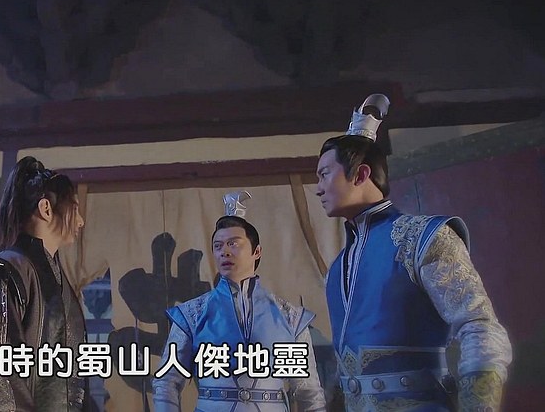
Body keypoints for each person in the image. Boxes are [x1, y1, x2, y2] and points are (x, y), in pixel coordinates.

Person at [315, 94, 512, 411]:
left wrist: (478, 406)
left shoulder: (421, 238)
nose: (318, 188)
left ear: (361, 175)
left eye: (325, 174)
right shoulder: (338, 267)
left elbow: (478, 326)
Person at [152, 193, 327, 412]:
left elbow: (308, 391)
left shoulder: (289, 316)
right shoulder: (192, 314)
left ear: (256, 251)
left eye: (233, 244)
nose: (224, 251)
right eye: (218, 246)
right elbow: (167, 381)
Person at [0, 156, 90, 411]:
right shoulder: (2, 272)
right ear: (46, 208)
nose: (80, 221)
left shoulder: (58, 277)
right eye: (75, 209)